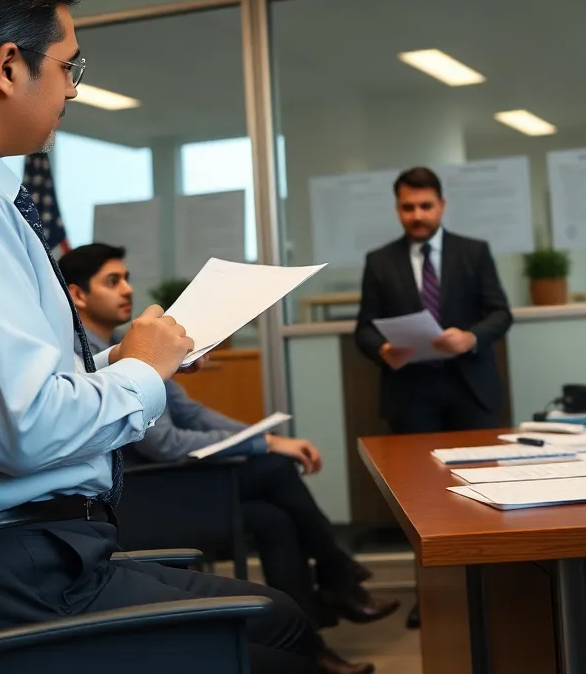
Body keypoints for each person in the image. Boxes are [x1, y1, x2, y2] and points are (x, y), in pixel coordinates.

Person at [0, 0, 324, 674]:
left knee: (281, 622)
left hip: (17, 553)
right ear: (7, 66)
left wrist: (132, 360)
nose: (72, 90)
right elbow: (22, 428)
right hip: (5, 570)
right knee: (279, 646)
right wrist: (140, 373)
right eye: (67, 65)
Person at [58, 243, 400, 651]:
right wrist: (264, 444)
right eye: (113, 281)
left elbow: (192, 413)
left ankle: (313, 643)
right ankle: (337, 577)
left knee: (274, 520)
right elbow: (165, 443)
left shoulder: (125, 342)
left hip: (172, 482)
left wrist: (263, 437)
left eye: (127, 278)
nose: (128, 289)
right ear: (78, 295)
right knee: (275, 470)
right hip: (145, 493)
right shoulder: (75, 356)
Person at [354, 166, 512, 627]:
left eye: (425, 206)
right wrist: (382, 350)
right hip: (411, 393)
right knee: (422, 501)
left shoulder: (473, 251)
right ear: (397, 209)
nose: (417, 215)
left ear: (441, 205)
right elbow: (363, 328)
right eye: (408, 207)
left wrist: (471, 337)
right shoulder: (379, 261)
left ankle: (490, 589)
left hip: (470, 388)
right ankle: (433, 597)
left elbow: (501, 312)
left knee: (481, 492)